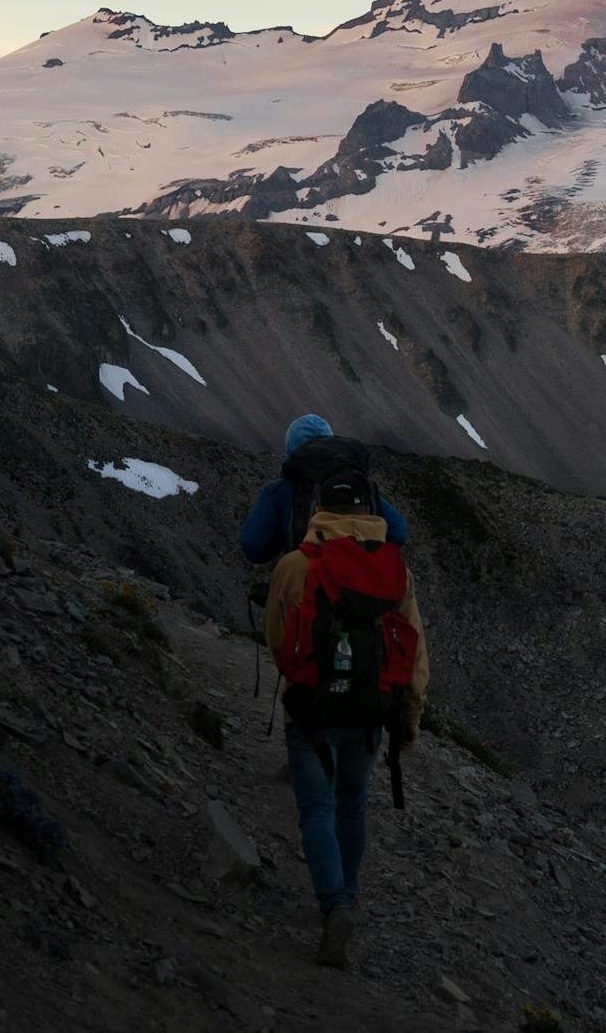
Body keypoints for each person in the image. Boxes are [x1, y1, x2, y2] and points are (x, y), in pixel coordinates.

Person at [263, 469, 429, 968]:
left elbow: (276, 635)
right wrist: (409, 718)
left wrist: (301, 677)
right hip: (369, 713)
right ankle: (349, 897)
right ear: (368, 510)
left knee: (316, 808)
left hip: (311, 706)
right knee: (352, 805)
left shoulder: (297, 563)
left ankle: (333, 903)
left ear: (322, 508)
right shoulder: (396, 570)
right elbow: (415, 652)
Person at [239, 414, 408, 563]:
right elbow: (398, 532)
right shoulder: (361, 485)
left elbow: (254, 548)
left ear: (292, 449)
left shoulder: (280, 490)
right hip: (359, 587)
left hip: (306, 585)